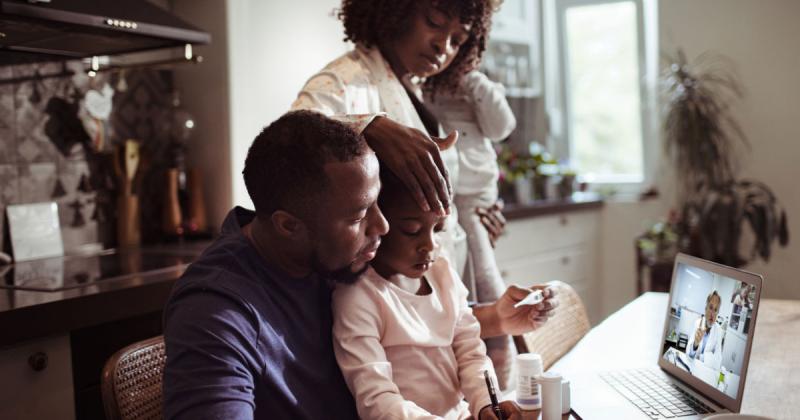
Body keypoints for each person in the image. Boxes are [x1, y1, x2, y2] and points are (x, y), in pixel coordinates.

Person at [162, 110, 552, 419]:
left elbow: (408, 329)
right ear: (288, 225)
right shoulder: (216, 312)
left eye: (378, 204)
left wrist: (494, 318)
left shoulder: (332, 254)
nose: (382, 227)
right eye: (358, 216)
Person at [292, 0, 553, 383]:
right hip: (385, 317)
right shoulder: (346, 81)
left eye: (458, 40)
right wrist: (369, 126)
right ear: (394, 9)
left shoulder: (415, 89)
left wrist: (471, 213)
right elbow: (289, 140)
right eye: (434, 23)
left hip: (437, 290)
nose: (443, 47)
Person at [333, 165, 520, 419]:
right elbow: (377, 401)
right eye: (412, 230)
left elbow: (471, 352)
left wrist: (487, 404)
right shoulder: (358, 297)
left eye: (439, 228)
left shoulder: (442, 273)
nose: (430, 245)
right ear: (376, 221)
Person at [426, 68, 517, 388]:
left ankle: (500, 370)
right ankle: (487, 375)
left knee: (482, 276)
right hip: (445, 193)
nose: (445, 47)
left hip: (476, 196)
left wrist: (473, 81)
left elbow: (502, 126)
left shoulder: (476, 83)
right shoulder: (417, 83)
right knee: (460, 280)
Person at [686, 290, 721, 366]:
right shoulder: (697, 323)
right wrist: (695, 345)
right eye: (711, 307)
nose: (712, 314)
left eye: (715, 310)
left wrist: (701, 357)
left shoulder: (718, 330)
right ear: (706, 308)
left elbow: (718, 361)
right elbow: (688, 353)